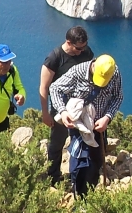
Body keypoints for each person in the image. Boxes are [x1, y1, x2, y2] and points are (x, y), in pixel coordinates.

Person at [49, 54, 124, 196]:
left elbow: (117, 97)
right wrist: (63, 111)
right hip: (79, 124)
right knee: (80, 160)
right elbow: (55, 88)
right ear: (93, 65)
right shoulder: (78, 71)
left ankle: (90, 193)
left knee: (96, 160)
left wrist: (107, 118)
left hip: (99, 125)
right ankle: (78, 193)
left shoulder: (114, 73)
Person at [40, 27, 95, 182]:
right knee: (58, 141)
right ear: (68, 43)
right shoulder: (55, 58)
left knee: (84, 139)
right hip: (60, 107)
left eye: (84, 47)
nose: (81, 51)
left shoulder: (86, 53)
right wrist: (45, 113)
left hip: (81, 105)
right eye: (78, 48)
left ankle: (82, 174)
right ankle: (53, 176)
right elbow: (44, 87)